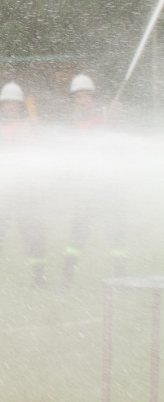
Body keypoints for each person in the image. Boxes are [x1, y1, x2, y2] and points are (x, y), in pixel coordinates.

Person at [0, 82, 47, 287]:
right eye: (6, 103)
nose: (10, 107)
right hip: (1, 193)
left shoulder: (31, 127)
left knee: (34, 236)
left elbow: (41, 155)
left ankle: (38, 278)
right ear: (1, 105)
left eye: (14, 103)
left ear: (20, 105)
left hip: (27, 192)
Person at [61, 74, 128, 286]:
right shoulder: (71, 122)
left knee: (116, 232)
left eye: (86, 95)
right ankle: (67, 278)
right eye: (78, 96)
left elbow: (120, 135)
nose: (82, 99)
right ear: (74, 100)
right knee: (77, 234)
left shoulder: (107, 114)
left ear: (92, 96)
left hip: (109, 186)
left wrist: (117, 115)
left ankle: (121, 277)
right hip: (85, 188)